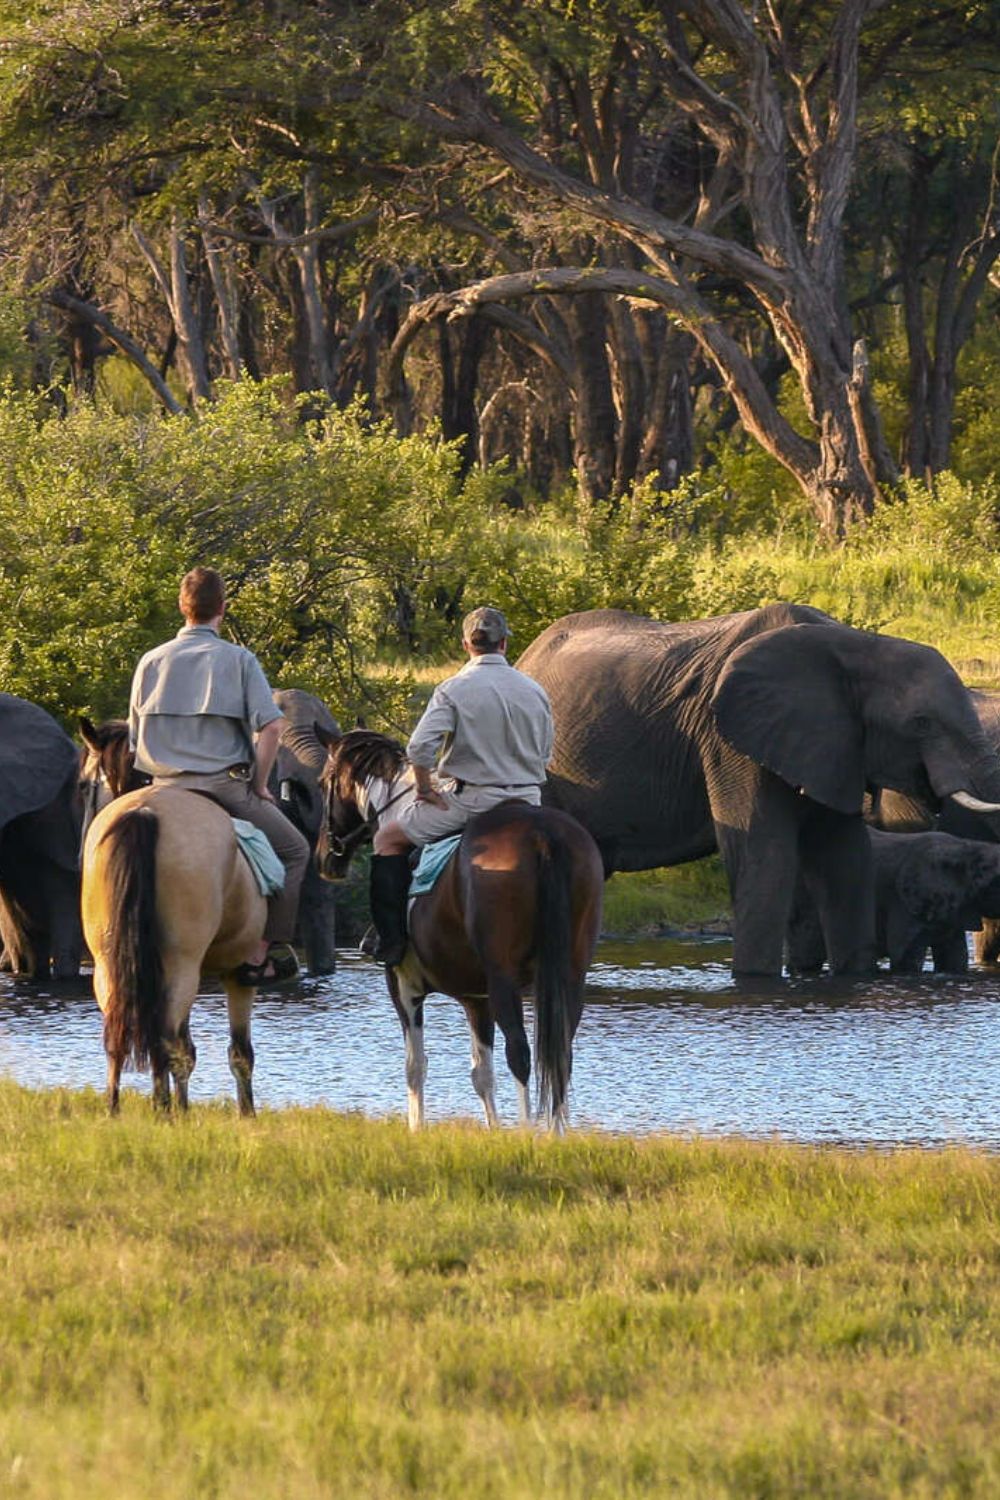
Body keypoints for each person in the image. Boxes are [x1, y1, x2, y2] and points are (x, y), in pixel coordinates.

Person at [129, 566, 310, 985]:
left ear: (182, 606)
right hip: (222, 786)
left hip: (161, 788)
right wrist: (259, 785)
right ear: (222, 608)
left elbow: (135, 743)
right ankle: (262, 953)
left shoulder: (150, 661)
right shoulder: (239, 660)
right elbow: (273, 728)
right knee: (296, 851)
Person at [366, 605, 554, 965]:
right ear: (504, 643)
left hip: (473, 801)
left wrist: (424, 788)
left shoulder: (454, 688)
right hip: (528, 800)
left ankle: (392, 943)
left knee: (387, 839)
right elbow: (546, 754)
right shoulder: (535, 690)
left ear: (467, 644)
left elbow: (419, 748)